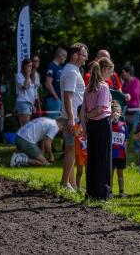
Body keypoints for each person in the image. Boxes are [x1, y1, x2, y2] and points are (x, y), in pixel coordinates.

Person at [82, 57, 113, 200]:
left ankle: (91, 192)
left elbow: (83, 110)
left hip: (91, 126)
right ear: (105, 69)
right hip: (101, 124)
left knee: (92, 159)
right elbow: (100, 109)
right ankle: (103, 193)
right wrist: (89, 115)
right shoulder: (103, 86)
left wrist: (85, 124)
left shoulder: (87, 88)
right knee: (104, 159)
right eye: (111, 71)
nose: (111, 74)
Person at [60, 42, 88, 190]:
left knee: (72, 150)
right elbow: (67, 96)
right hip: (71, 117)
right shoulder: (71, 71)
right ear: (75, 55)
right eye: (84, 55)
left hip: (73, 116)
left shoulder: (73, 70)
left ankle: (70, 184)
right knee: (70, 150)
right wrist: (71, 118)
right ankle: (64, 183)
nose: (86, 58)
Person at [110, 102, 129, 198]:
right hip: (111, 154)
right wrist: (111, 119)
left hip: (121, 154)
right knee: (110, 173)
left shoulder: (123, 124)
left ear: (120, 113)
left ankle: (121, 191)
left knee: (120, 172)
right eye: (113, 112)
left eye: (117, 112)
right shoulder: (108, 124)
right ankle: (109, 191)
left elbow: (126, 139)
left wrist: (125, 152)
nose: (115, 114)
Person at [121, 63, 140, 139]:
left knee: (135, 129)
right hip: (127, 109)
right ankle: (127, 146)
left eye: (123, 72)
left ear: (128, 72)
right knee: (126, 129)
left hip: (135, 109)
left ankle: (135, 148)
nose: (122, 74)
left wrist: (126, 95)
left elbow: (136, 94)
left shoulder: (136, 82)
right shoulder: (125, 83)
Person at [45, 47, 67, 119]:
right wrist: (56, 98)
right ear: (60, 55)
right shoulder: (51, 66)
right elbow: (48, 84)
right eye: (65, 56)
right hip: (54, 100)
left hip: (59, 100)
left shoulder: (60, 67)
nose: (65, 58)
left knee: (58, 125)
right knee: (52, 124)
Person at [15, 58, 35, 127]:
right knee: (25, 127)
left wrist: (32, 105)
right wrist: (27, 76)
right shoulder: (19, 75)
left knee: (24, 128)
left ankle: (20, 138)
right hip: (23, 102)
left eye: (31, 66)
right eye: (28, 66)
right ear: (24, 66)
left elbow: (30, 94)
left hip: (29, 103)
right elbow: (25, 87)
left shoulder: (29, 77)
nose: (30, 68)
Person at [73, 105, 87, 190]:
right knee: (79, 171)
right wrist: (82, 123)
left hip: (88, 151)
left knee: (88, 171)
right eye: (81, 114)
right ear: (78, 115)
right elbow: (75, 134)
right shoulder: (76, 125)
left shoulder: (89, 125)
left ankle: (89, 187)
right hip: (80, 152)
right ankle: (78, 188)